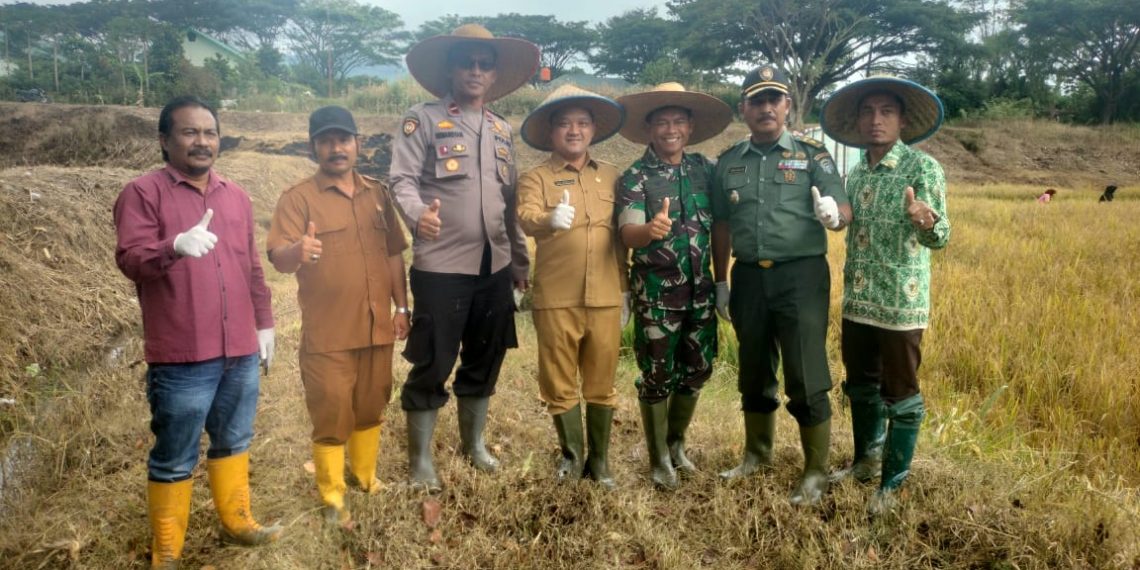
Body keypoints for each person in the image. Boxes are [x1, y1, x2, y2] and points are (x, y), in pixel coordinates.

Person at [113, 95, 281, 568]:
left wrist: (264, 322)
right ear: (165, 140)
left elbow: (250, 266)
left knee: (234, 439)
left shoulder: (236, 196)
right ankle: (167, 551)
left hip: (239, 350)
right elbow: (131, 259)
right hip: (183, 356)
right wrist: (174, 246)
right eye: (189, 132)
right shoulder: (143, 193)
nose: (202, 141)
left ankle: (238, 523)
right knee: (174, 454)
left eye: (209, 132)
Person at [389, 24, 537, 491]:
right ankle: (421, 462)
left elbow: (507, 200)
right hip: (441, 267)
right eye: (466, 62)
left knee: (486, 354)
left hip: (492, 267)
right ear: (451, 69)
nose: (475, 70)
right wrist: (417, 216)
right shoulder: (423, 119)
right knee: (433, 359)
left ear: (493, 74)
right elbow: (402, 181)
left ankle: (473, 444)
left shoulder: (500, 129)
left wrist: (518, 260)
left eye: (484, 64)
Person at [710, 65, 851, 506]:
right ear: (744, 110)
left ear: (788, 106)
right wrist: (720, 280)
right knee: (753, 369)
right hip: (749, 275)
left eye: (775, 99)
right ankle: (756, 454)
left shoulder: (813, 155)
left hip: (801, 276)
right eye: (757, 100)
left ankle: (815, 470)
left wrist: (834, 216)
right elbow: (720, 225)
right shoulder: (729, 162)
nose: (766, 108)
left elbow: (842, 208)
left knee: (805, 373)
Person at [266, 106, 409, 525]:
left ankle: (365, 477)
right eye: (327, 140)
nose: (336, 148)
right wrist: (299, 252)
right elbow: (278, 256)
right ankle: (332, 495)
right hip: (328, 331)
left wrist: (401, 306)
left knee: (371, 404)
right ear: (314, 147)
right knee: (331, 410)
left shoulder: (378, 194)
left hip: (376, 326)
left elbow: (394, 254)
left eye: (344, 139)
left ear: (357, 144)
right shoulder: (297, 199)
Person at [820, 75, 950, 514]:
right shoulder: (856, 172)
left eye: (886, 112)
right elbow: (846, 221)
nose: (876, 120)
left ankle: (893, 483)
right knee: (860, 386)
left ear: (902, 120)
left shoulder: (922, 168)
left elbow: (941, 236)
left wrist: (926, 220)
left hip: (900, 305)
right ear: (858, 121)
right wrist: (834, 219)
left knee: (902, 393)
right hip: (858, 301)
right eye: (868, 112)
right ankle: (864, 462)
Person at [615, 82, 732, 490]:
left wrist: (722, 282)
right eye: (662, 122)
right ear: (649, 129)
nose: (670, 129)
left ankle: (677, 443)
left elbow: (720, 225)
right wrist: (649, 230)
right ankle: (658, 456)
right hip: (657, 296)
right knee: (656, 375)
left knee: (698, 369)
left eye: (678, 121)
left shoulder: (706, 170)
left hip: (701, 293)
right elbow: (627, 233)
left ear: (690, 126)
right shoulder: (635, 177)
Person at [516, 85, 628, 489]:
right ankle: (571, 455)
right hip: (556, 296)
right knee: (558, 380)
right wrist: (549, 219)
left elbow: (621, 235)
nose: (574, 131)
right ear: (550, 132)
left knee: (602, 381)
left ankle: (599, 462)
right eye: (564, 124)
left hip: (606, 295)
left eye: (582, 123)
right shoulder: (536, 177)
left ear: (594, 129)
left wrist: (626, 289)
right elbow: (526, 216)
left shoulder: (613, 176)